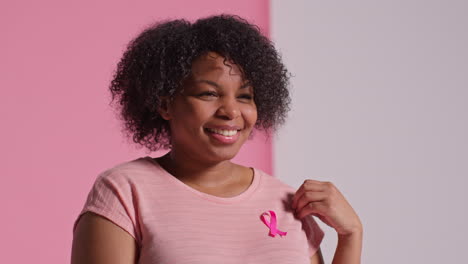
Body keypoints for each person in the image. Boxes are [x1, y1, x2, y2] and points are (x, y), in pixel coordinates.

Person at [71, 14, 362, 264]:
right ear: (166, 104)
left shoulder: (287, 202)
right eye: (209, 93)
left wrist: (351, 236)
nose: (231, 111)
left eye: (245, 96)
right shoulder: (125, 191)